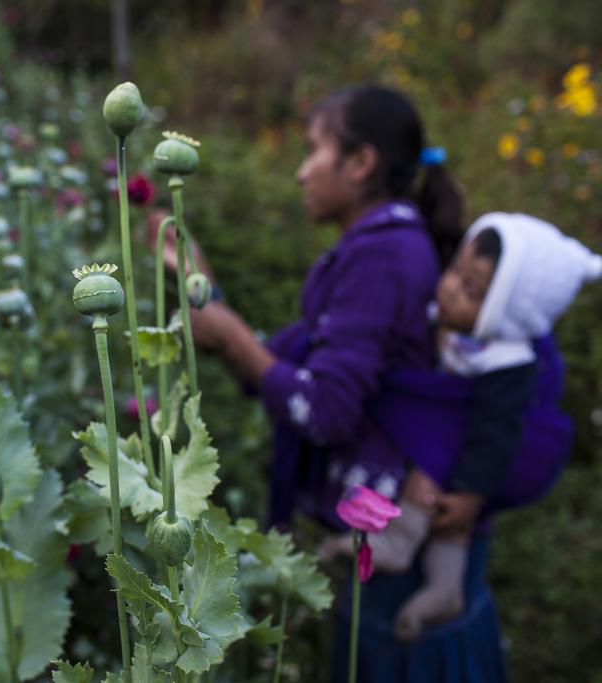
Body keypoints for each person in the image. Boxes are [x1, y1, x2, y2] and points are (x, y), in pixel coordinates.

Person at [154, 84, 512, 681]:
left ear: (361, 162)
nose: (300, 173)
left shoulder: (383, 257)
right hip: (399, 545)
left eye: (313, 150)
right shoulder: (389, 245)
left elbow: (323, 408)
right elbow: (298, 367)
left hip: (404, 556)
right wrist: (205, 294)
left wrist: (233, 337)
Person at [320, 212, 601, 640]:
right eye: (454, 271)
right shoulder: (451, 322)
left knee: (441, 494)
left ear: (509, 312)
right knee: (445, 503)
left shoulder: (508, 362)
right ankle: (443, 587)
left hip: (473, 457)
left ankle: (413, 560)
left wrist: (472, 491)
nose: (450, 287)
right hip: (456, 436)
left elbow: (496, 434)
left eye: (471, 289)